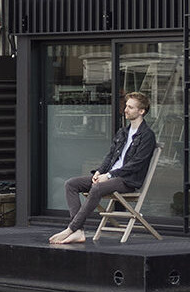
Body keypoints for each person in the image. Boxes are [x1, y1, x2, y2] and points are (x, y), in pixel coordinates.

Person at [49, 91, 158, 244]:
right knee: (71, 184)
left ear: (141, 111)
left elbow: (135, 165)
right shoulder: (123, 132)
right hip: (110, 176)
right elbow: (110, 156)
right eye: (126, 106)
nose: (125, 110)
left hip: (128, 180)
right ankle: (79, 231)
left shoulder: (147, 136)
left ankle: (71, 229)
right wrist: (100, 171)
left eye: (130, 107)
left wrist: (109, 176)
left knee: (97, 189)